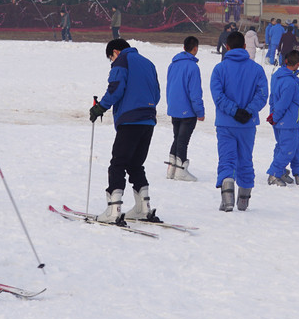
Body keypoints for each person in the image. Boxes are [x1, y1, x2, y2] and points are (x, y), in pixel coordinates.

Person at [89, 39, 161, 224]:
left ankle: (114, 210)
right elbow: (157, 93)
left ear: (115, 51)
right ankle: (143, 208)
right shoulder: (148, 63)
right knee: (136, 164)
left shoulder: (122, 61)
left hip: (130, 120)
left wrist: (100, 108)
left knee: (118, 163)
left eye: (111, 58)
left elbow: (115, 89)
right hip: (148, 119)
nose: (112, 61)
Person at [210, 30, 268, 212]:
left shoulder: (219, 69)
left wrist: (233, 111)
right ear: (244, 46)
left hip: (226, 123)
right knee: (245, 160)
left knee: (227, 160)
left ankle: (227, 201)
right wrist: (248, 111)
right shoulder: (257, 69)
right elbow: (262, 94)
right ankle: (244, 201)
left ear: (227, 47)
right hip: (247, 125)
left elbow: (218, 96)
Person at [266, 50, 299, 187]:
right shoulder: (290, 82)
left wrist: (273, 115)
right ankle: (275, 173)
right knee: (287, 149)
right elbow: (284, 103)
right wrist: (276, 117)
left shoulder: (279, 76)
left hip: (280, 119)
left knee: (295, 148)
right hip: (287, 120)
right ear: (298, 63)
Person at [166, 36, 205, 182]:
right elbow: (195, 93)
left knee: (177, 138)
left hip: (174, 107)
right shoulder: (193, 67)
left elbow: (169, 86)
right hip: (187, 110)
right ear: (195, 48)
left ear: (184, 48)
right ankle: (181, 170)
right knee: (183, 140)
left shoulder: (173, 65)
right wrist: (200, 112)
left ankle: (172, 168)